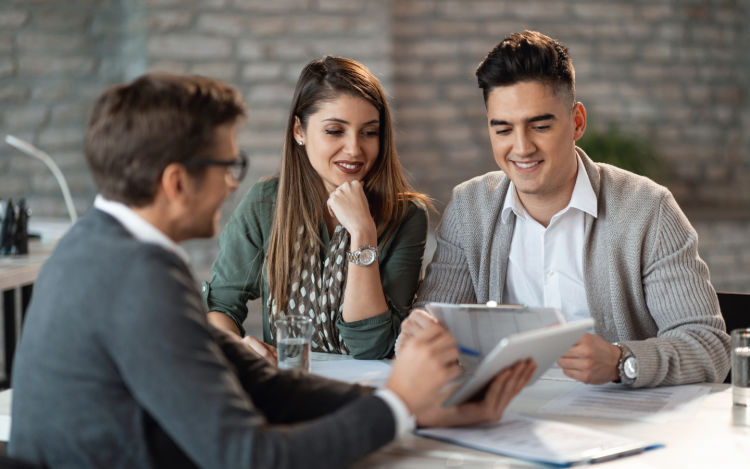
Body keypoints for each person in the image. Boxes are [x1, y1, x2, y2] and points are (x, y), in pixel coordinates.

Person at [8, 72, 536, 468]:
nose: (234, 184)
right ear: (175, 182)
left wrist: (416, 406)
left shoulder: (99, 245)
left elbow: (254, 380)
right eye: (227, 166)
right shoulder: (138, 277)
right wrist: (397, 408)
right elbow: (249, 458)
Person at [399, 30, 730, 388]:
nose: (521, 147)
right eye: (503, 130)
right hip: (502, 418)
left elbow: (708, 345)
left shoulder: (648, 210)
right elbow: (430, 327)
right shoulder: (470, 208)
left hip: (619, 426)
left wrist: (622, 362)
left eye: (540, 126)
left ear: (576, 122)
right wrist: (417, 335)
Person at [203, 56, 430, 360]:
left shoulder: (406, 215)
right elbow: (221, 305)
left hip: (370, 386)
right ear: (299, 130)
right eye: (335, 130)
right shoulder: (266, 203)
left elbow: (371, 344)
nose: (354, 149)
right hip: (292, 383)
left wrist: (363, 233)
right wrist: (236, 348)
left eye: (369, 132)